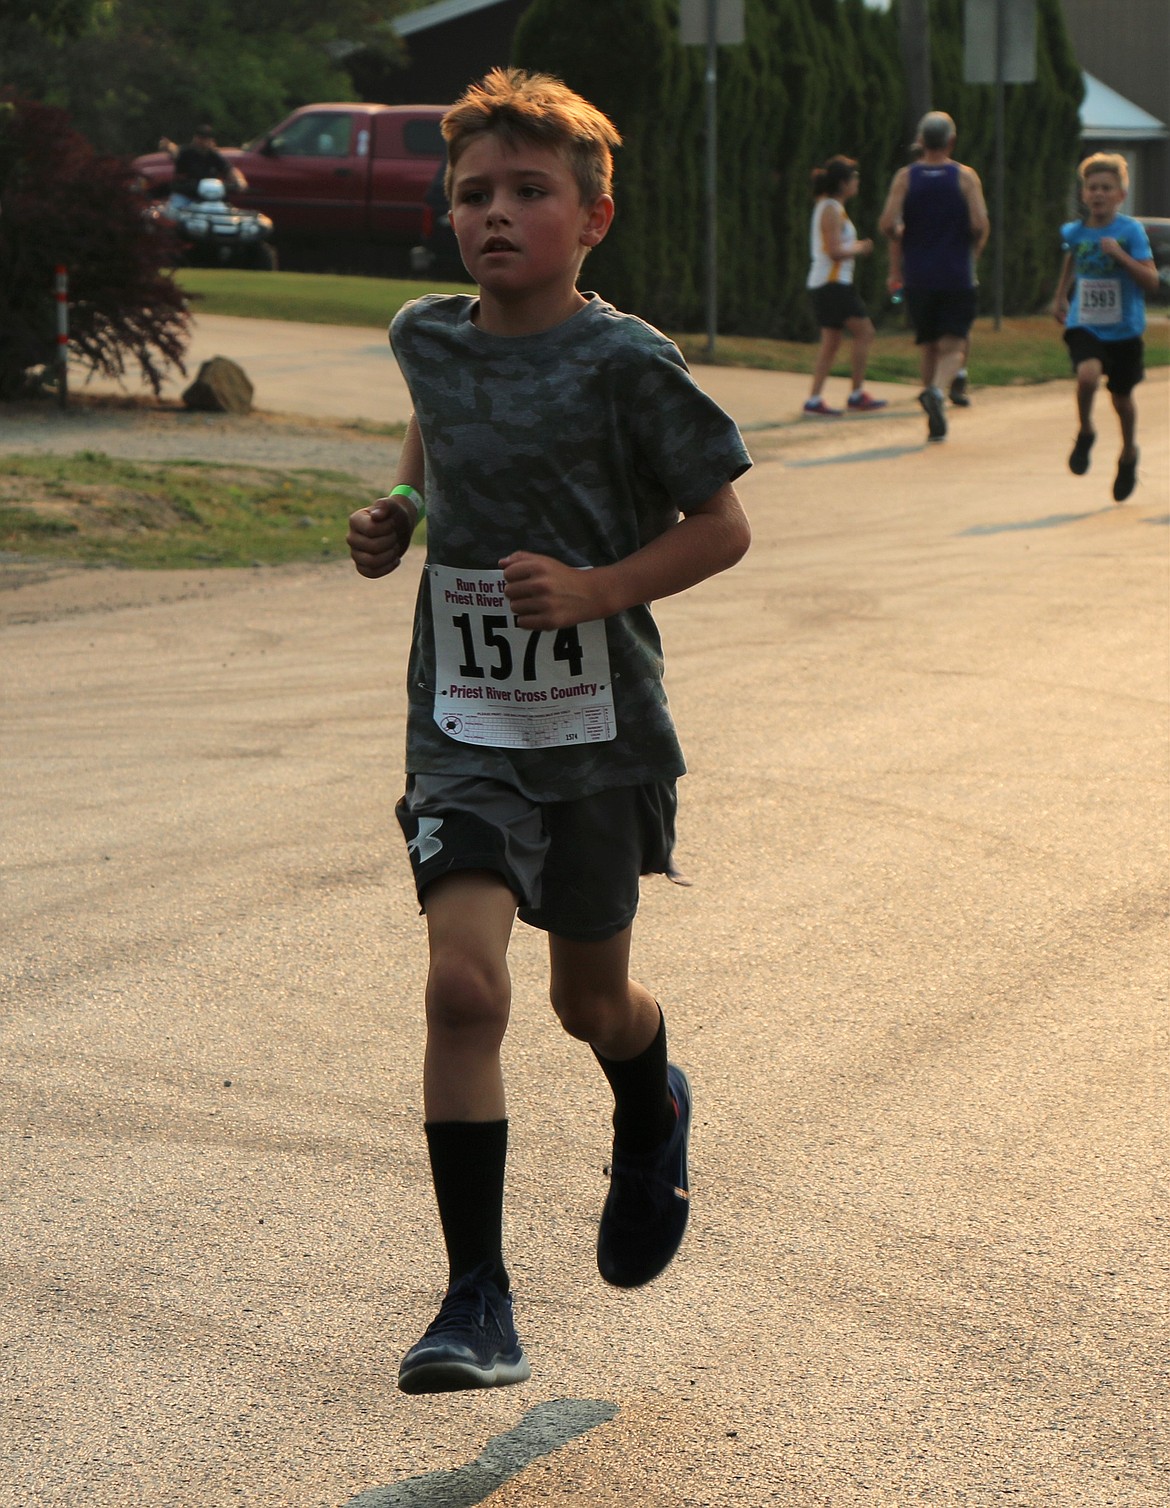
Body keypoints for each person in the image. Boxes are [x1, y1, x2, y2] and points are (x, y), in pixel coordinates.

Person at [346, 67, 752, 1395]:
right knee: (462, 986)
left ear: (594, 217)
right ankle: (475, 1301)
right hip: (461, 717)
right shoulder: (427, 336)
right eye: (473, 195)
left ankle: (651, 1098)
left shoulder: (627, 363)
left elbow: (721, 526)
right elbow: (438, 424)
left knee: (589, 1001)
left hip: (594, 730)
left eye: (530, 192)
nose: (497, 215)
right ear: (447, 216)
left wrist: (595, 590)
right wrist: (398, 505)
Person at [1053, 152, 1158, 503]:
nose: (1098, 194)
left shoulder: (1130, 231)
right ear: (1084, 194)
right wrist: (1061, 296)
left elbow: (1151, 281)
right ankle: (1085, 431)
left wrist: (1120, 256)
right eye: (1092, 187)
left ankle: (1128, 454)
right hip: (1086, 323)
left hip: (1125, 329)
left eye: (1106, 188)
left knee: (1122, 400)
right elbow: (1072, 255)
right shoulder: (1075, 231)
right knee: (1087, 376)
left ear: (1119, 195)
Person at [879, 111, 989, 442]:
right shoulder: (965, 177)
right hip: (956, 273)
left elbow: (887, 223)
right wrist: (972, 250)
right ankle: (938, 392)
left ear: (921, 141)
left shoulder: (905, 178)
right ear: (951, 141)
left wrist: (901, 241)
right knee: (954, 345)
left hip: (918, 275)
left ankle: (931, 406)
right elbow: (979, 223)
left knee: (928, 344)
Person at [802, 155, 888, 417]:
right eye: (854, 178)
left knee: (831, 341)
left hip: (830, 283)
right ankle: (856, 394)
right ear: (842, 183)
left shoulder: (832, 207)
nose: (857, 182)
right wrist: (861, 247)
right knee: (865, 332)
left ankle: (814, 400)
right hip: (832, 283)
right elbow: (835, 251)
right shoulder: (830, 208)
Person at [159, 124, 246, 207]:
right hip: (185, 195)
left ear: (211, 141)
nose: (200, 141)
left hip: (209, 197)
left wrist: (239, 181)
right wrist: (169, 147)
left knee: (224, 212)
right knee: (176, 212)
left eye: (204, 138)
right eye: (199, 137)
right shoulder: (185, 152)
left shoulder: (214, 156)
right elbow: (175, 151)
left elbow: (229, 169)